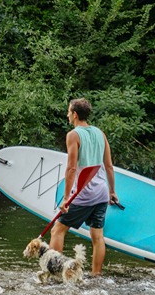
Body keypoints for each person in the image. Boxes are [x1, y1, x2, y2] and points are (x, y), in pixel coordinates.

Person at [49, 97, 117, 276]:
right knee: (97, 237)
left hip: (83, 194)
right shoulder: (100, 133)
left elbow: (72, 168)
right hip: (101, 193)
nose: (67, 115)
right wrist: (112, 191)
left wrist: (66, 198)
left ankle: (54, 274)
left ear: (75, 114)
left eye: (68, 111)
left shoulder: (73, 135)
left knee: (57, 231)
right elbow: (109, 166)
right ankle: (96, 276)